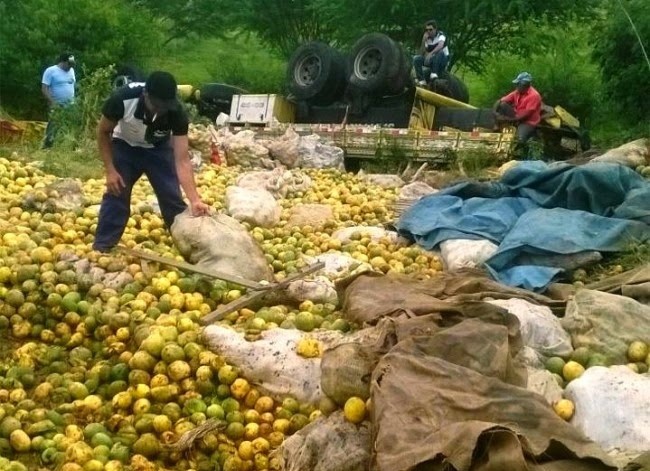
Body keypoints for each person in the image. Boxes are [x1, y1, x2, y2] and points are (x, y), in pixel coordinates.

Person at [92, 70, 210, 253]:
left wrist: (195, 199)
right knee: (117, 193)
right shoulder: (122, 99)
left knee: (172, 197)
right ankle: (102, 248)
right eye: (157, 105)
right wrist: (110, 169)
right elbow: (102, 132)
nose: (160, 110)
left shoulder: (176, 112)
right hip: (125, 146)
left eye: (165, 107)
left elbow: (182, 159)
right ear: (145, 95)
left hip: (158, 150)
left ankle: (188, 248)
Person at [494, 72, 543, 157]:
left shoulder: (534, 96)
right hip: (516, 115)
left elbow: (526, 115)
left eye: (518, 84)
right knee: (502, 105)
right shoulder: (517, 92)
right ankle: (497, 126)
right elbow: (500, 101)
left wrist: (507, 119)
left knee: (519, 140)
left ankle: (516, 156)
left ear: (525, 85)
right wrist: (495, 113)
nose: (516, 86)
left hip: (528, 121)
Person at [41, 52, 76, 148]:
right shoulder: (51, 71)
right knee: (53, 125)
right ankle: (47, 146)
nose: (70, 67)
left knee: (70, 125)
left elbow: (71, 85)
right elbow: (44, 88)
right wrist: (52, 102)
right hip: (56, 104)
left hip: (70, 104)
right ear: (63, 62)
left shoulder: (72, 70)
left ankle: (69, 146)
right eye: (69, 64)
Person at [413, 20, 450, 86]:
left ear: (435, 29)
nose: (428, 31)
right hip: (433, 60)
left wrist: (430, 54)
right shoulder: (427, 39)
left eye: (430, 29)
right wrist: (423, 40)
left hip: (442, 60)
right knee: (416, 58)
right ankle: (421, 80)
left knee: (440, 52)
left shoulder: (441, 35)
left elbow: (440, 45)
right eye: (427, 30)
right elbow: (421, 53)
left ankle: (434, 73)